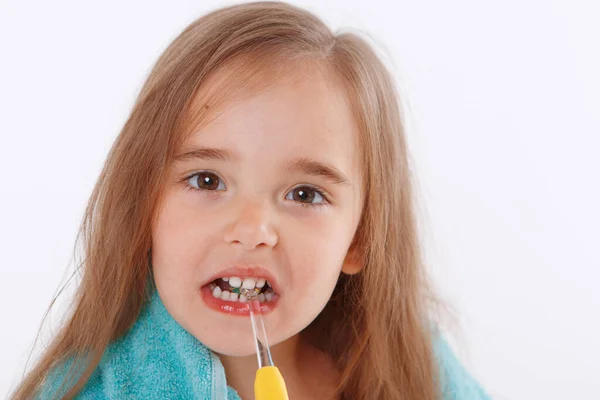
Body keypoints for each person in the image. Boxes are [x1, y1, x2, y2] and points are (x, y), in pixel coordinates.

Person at [11, 2, 490, 399]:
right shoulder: (97, 390)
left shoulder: (417, 371)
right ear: (144, 207)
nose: (252, 228)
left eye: (305, 194)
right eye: (206, 181)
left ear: (359, 239)